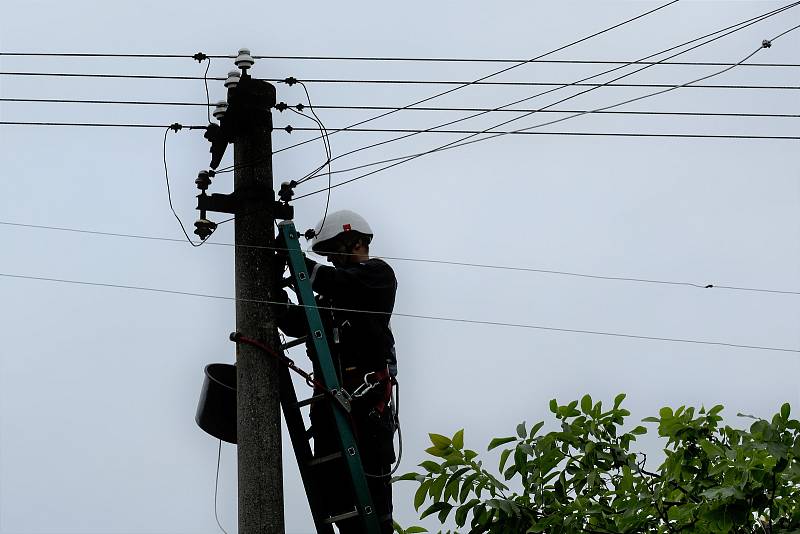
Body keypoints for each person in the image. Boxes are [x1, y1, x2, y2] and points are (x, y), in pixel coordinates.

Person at [275, 210, 398, 534]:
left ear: (356, 241)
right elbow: (295, 320)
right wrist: (275, 286)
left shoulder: (376, 276)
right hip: (329, 407)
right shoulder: (329, 298)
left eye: (335, 251)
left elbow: (337, 281)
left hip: (365, 406)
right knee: (337, 503)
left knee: (373, 509)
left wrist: (296, 260)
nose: (332, 260)